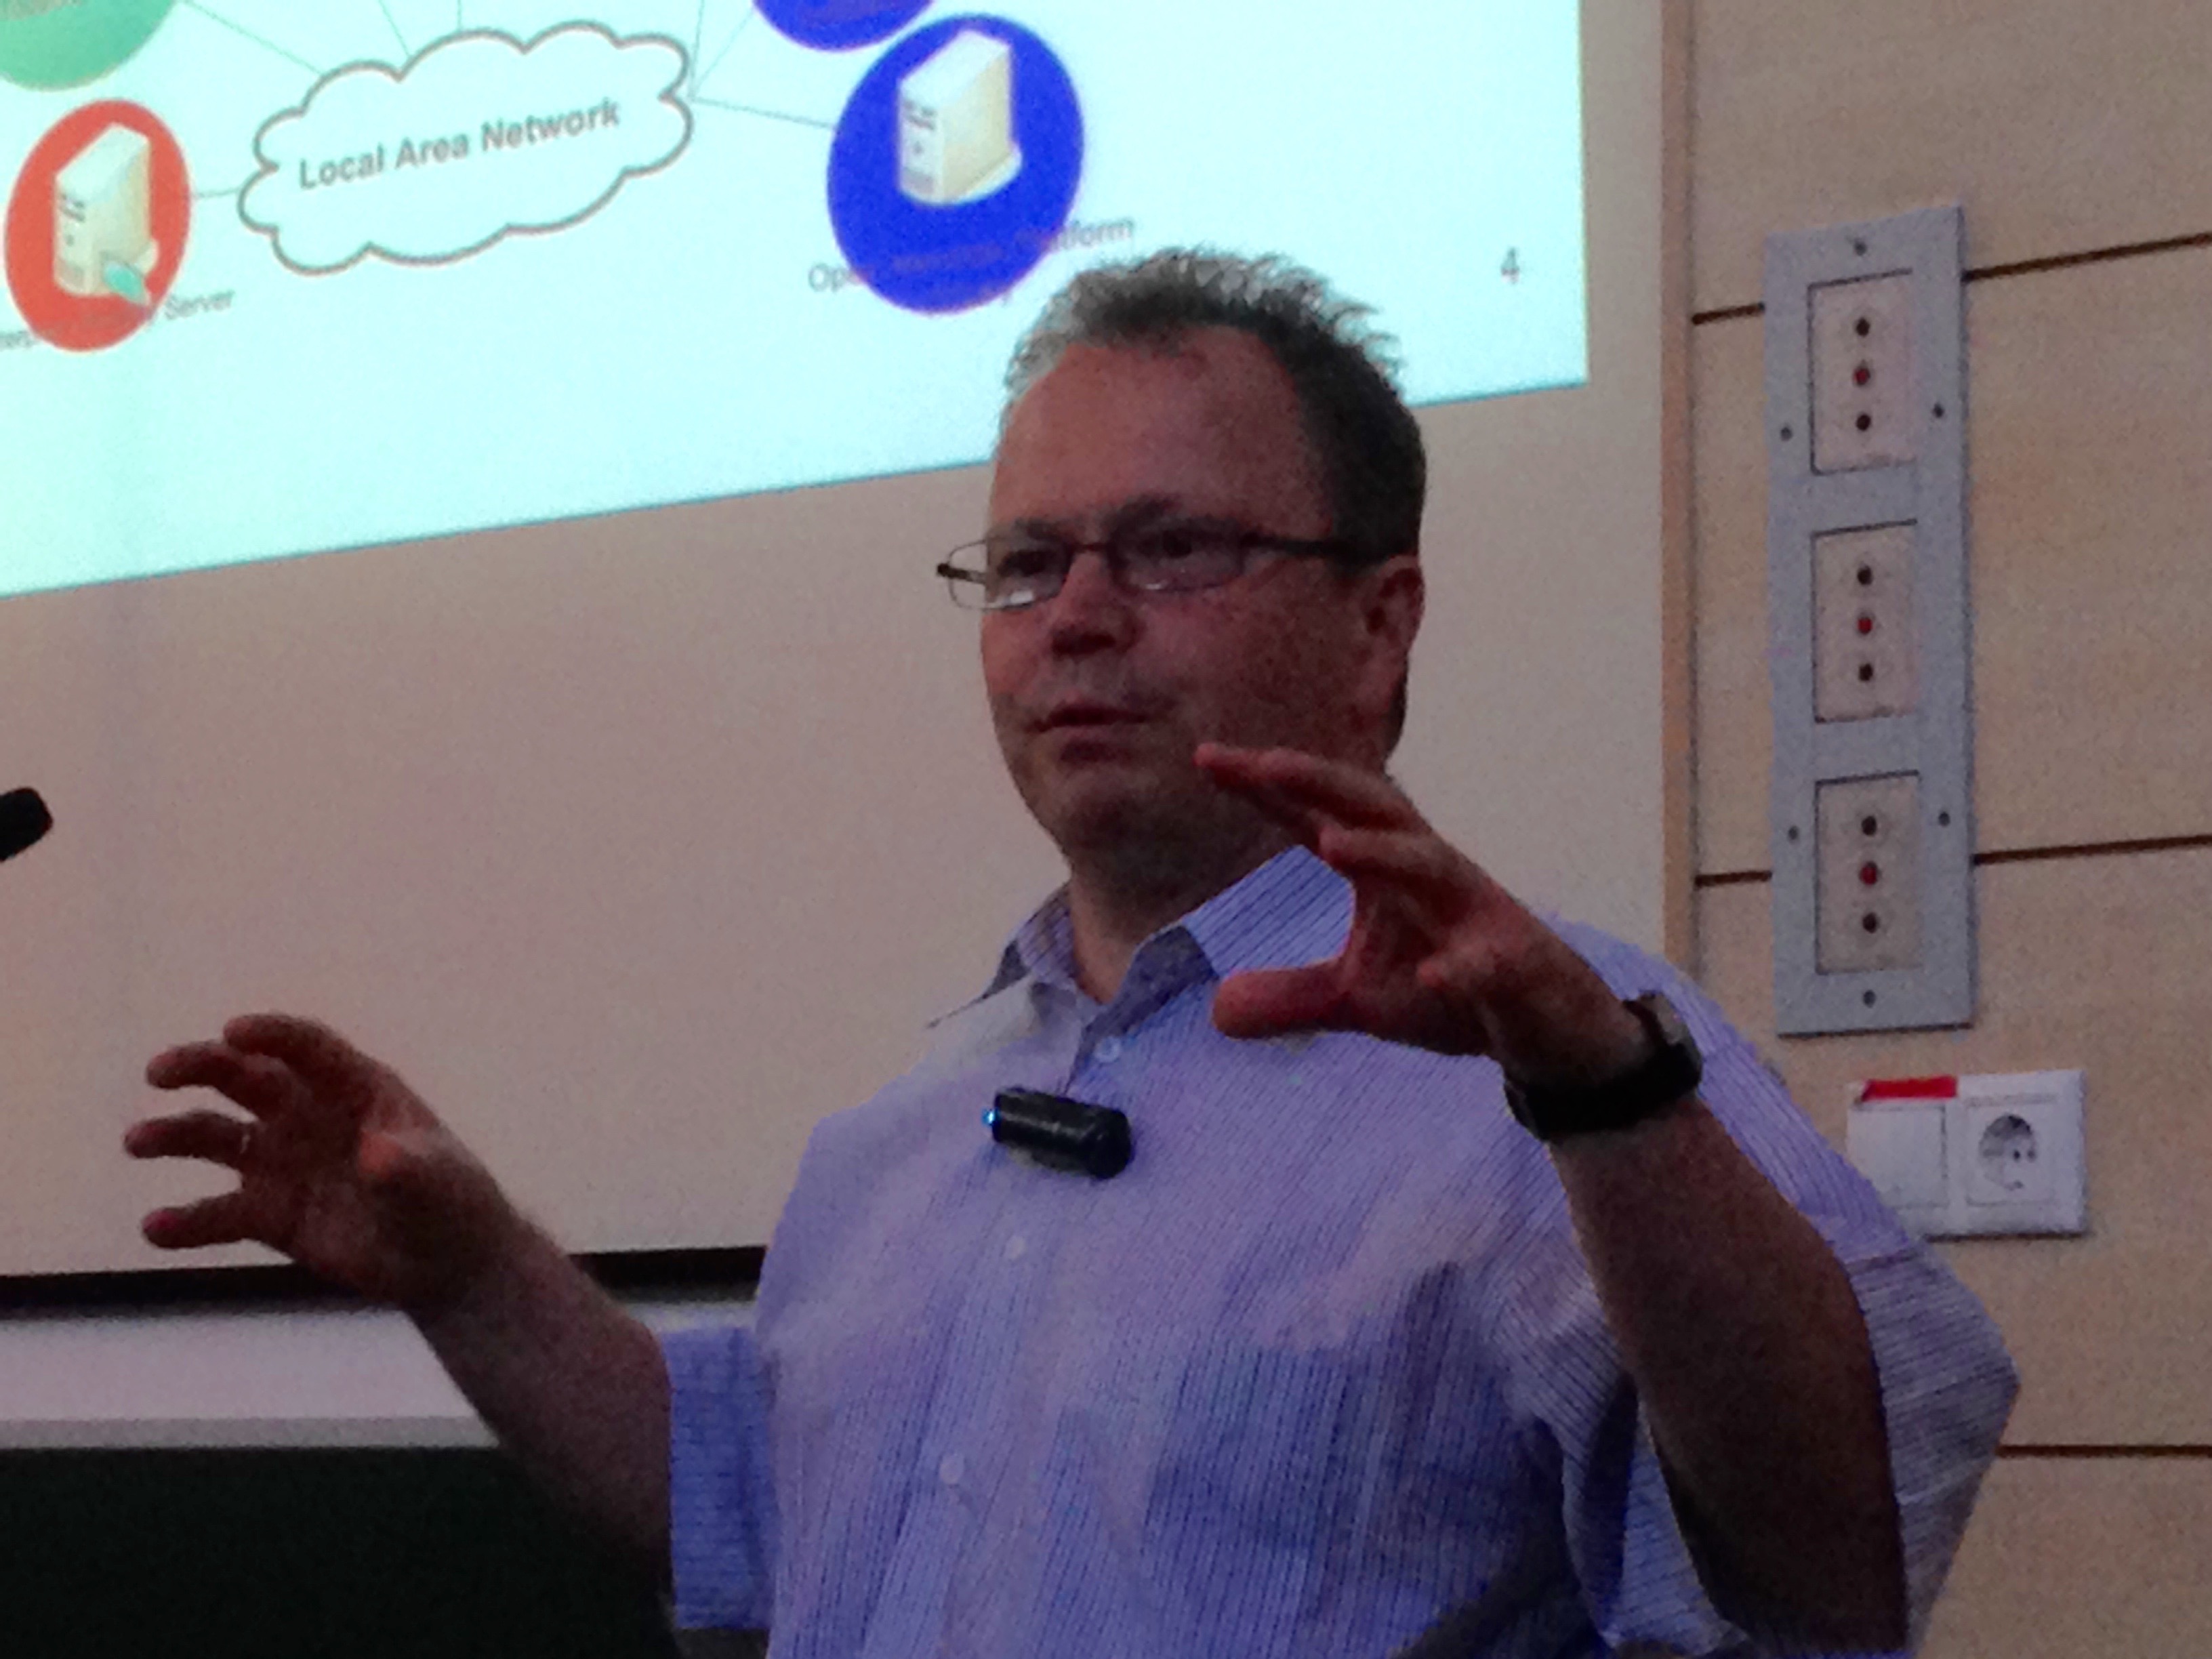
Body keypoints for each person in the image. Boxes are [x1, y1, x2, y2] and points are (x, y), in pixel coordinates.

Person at [126, 251, 2015, 1657]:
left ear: (1380, 625)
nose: (1078, 617)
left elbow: (1837, 1561)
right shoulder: (900, 1138)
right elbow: (753, 1527)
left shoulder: (1569, 1067)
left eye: (1172, 548)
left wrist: (1603, 1100)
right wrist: (473, 1277)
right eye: (1027, 564)